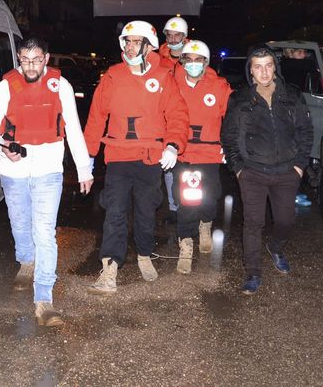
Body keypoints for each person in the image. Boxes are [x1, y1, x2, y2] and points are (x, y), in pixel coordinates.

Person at [0, 35, 94, 327]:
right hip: (13, 170)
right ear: (19, 58)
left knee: (44, 231)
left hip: (48, 169)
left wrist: (84, 168)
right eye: (25, 60)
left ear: (46, 58)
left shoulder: (61, 86)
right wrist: (3, 147)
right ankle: (26, 261)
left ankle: (44, 298)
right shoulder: (5, 86)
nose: (31, 66)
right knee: (20, 224)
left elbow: (73, 130)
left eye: (37, 60)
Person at [83, 21, 189, 294]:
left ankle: (144, 253)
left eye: (135, 42)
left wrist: (173, 145)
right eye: (127, 42)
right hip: (118, 155)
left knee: (145, 212)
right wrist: (88, 157)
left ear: (149, 46)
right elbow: (96, 117)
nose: (130, 47)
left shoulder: (164, 77)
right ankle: (109, 269)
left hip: (150, 157)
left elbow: (178, 115)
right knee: (115, 212)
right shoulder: (112, 76)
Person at [220, 44, 313, 295]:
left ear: (275, 68)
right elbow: (228, 137)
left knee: (285, 220)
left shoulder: (292, 94)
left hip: (286, 171)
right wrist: (238, 168)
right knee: (253, 223)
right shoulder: (239, 98)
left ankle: (276, 247)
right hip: (252, 172)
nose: (264, 72)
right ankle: (252, 272)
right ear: (250, 70)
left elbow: (305, 131)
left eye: (268, 66)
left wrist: (299, 165)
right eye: (258, 67)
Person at [170, 40, 232, 274]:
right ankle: (186, 243)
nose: (193, 64)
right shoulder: (173, 85)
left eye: (199, 60)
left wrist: (229, 144)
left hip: (210, 152)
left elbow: (232, 115)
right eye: (189, 60)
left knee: (210, 195)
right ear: (183, 61)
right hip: (182, 152)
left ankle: (205, 223)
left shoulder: (219, 86)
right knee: (186, 199)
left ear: (206, 63)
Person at [159, 16, 191, 223]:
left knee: (188, 167)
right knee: (169, 166)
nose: (172, 39)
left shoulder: (194, 56)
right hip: (164, 117)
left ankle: (190, 208)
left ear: (185, 37)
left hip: (190, 115)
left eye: (176, 35)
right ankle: (173, 207)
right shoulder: (158, 58)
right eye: (169, 35)